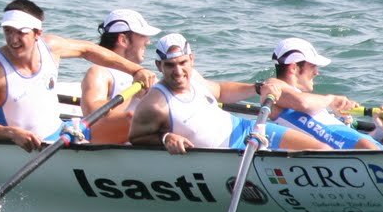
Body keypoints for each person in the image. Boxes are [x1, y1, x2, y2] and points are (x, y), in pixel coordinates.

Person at [0, 0, 148, 151]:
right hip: (35, 146)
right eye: (8, 31)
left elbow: (88, 49)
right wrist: (11, 133)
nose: (13, 39)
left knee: (136, 120)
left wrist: (136, 70)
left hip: (63, 132)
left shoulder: (51, 47)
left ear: (37, 33)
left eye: (21, 32)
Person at [128, 33, 330, 152]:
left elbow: (221, 91)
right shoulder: (155, 103)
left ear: (192, 59)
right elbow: (137, 137)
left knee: (321, 150)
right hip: (227, 154)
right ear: (159, 65)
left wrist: (257, 88)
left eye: (182, 63)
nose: (178, 71)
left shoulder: (195, 79)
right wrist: (166, 138)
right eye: (170, 65)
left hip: (247, 130)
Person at [267, 37, 383, 150]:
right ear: (293, 68)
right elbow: (303, 103)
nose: (317, 72)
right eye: (313, 66)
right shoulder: (273, 88)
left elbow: (346, 141)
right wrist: (331, 100)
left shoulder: (305, 101)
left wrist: (381, 130)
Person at [76, 8, 160, 145]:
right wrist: (133, 93)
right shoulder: (99, 72)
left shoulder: (145, 75)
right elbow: (93, 115)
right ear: (123, 40)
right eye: (142, 36)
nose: (148, 42)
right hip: (110, 141)